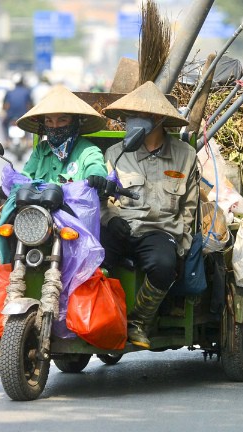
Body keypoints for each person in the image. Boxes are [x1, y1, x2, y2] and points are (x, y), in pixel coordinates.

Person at [0, 85, 108, 355]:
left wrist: (97, 176)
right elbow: (26, 177)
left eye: (62, 120)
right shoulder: (41, 151)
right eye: (50, 121)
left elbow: (97, 165)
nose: (55, 126)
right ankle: (2, 277)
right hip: (39, 220)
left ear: (75, 123)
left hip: (74, 221)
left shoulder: (87, 150)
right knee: (4, 238)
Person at [89, 81, 199, 349]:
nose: (131, 122)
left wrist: (181, 245)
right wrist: (111, 218)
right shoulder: (115, 154)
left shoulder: (185, 155)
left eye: (138, 117)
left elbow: (189, 207)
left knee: (164, 266)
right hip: (121, 227)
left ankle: (137, 322)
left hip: (159, 232)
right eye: (128, 117)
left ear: (158, 119)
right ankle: (95, 317)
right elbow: (102, 200)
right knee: (89, 261)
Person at [1, 72, 33, 147]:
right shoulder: (27, 92)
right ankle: (28, 140)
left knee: (4, 124)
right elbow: (29, 105)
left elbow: (5, 106)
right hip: (23, 116)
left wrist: (5, 112)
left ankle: (7, 141)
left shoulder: (9, 92)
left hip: (11, 116)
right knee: (29, 124)